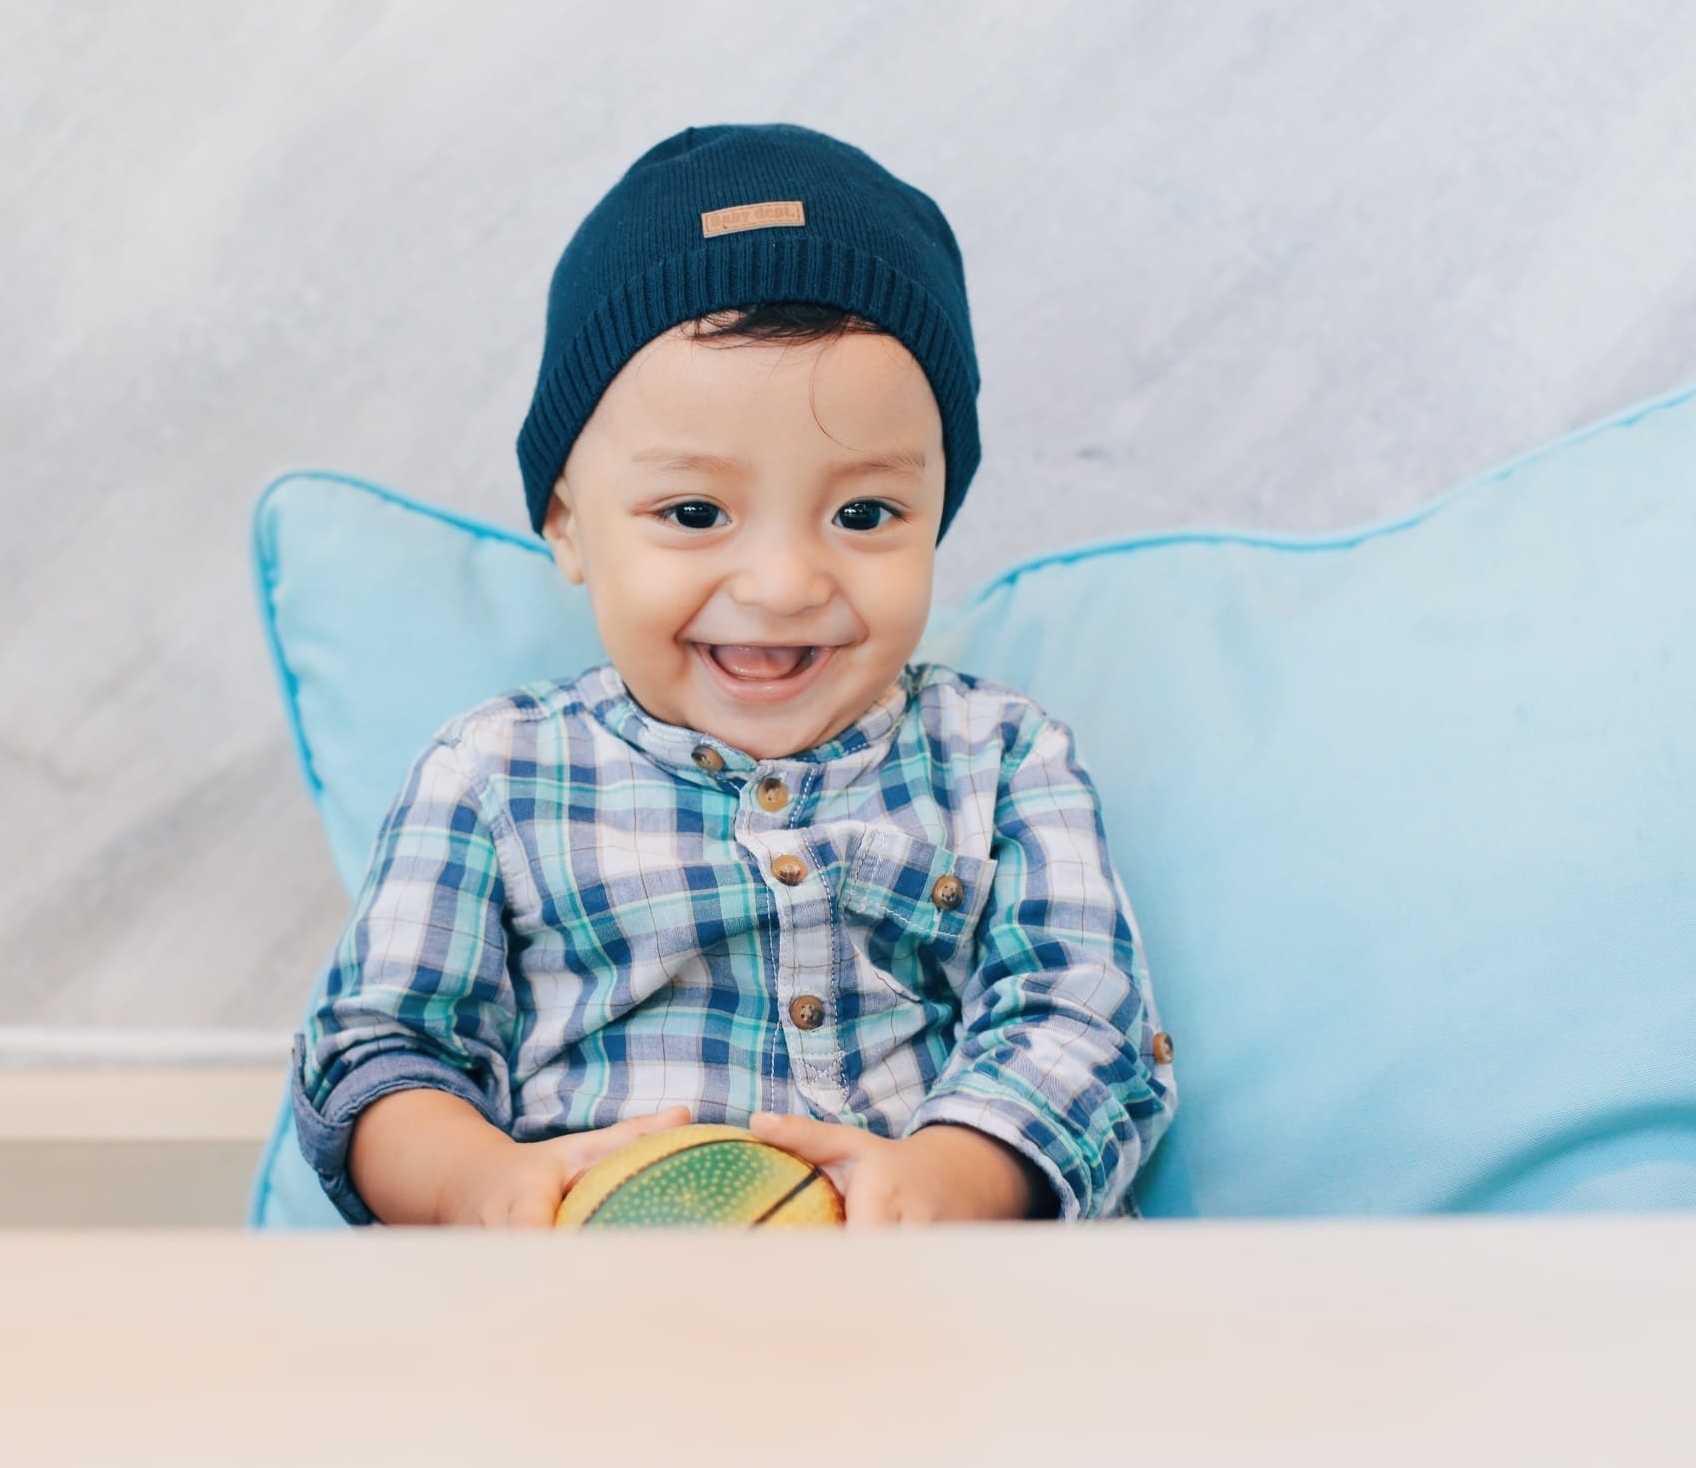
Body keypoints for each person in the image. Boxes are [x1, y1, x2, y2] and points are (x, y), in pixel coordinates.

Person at [287, 123, 1178, 1227]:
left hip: (926, 1307)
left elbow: (1084, 1018)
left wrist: (949, 1181)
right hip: (592, 1303)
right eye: (694, 513)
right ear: (568, 524)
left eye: (864, 514)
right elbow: (380, 1047)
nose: (785, 581)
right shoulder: (495, 773)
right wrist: (483, 1185)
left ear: (938, 514)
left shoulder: (1000, 759)